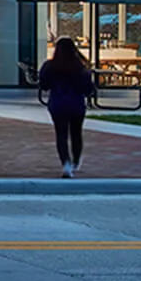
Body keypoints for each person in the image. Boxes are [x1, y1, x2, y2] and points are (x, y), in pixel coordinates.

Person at [37, 35, 98, 177]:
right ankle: (76, 160)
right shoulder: (80, 68)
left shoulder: (50, 66)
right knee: (76, 133)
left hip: (58, 104)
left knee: (61, 134)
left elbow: (44, 85)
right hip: (76, 104)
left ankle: (66, 163)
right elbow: (88, 89)